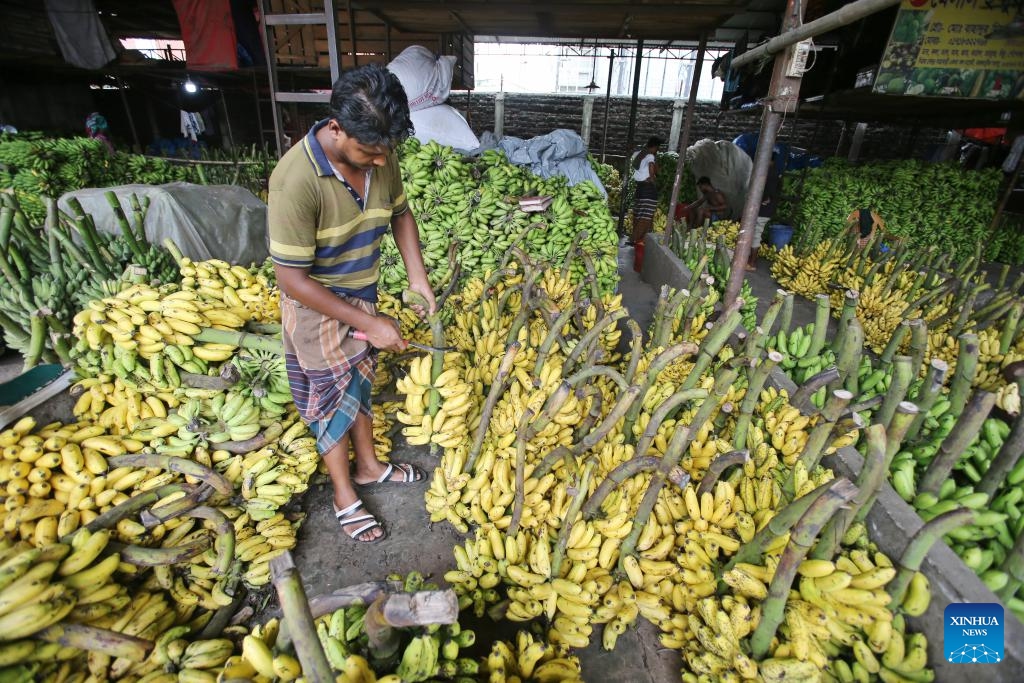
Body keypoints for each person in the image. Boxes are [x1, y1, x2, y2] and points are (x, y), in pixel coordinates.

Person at [268, 64, 436, 543]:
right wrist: (369, 320)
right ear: (336, 128)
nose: (380, 163)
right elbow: (291, 278)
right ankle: (344, 493)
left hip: (362, 293)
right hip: (315, 305)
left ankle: (368, 467)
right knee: (330, 402)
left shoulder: (379, 151)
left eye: (386, 152)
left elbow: (401, 215)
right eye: (368, 153)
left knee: (360, 384)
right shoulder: (295, 181)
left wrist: (417, 278)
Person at [627, 136, 662, 246]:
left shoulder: (640, 154)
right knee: (646, 216)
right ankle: (638, 240)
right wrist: (652, 178)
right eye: (657, 148)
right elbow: (651, 165)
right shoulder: (650, 155)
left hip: (640, 189)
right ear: (655, 147)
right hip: (648, 190)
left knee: (638, 214)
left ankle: (636, 238)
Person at [748, 155, 780, 271]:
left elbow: (768, 194)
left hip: (763, 211)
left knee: (756, 235)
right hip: (764, 210)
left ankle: (752, 263)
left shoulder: (770, 174)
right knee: (753, 235)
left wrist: (762, 199)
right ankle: (749, 260)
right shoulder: (774, 173)